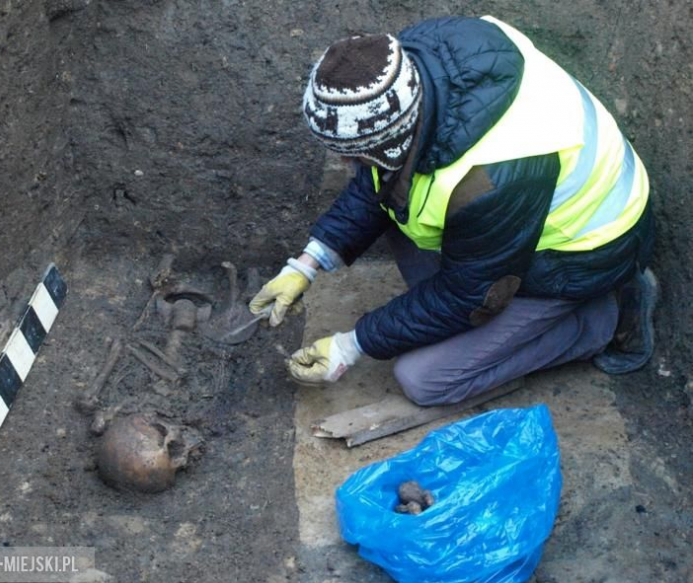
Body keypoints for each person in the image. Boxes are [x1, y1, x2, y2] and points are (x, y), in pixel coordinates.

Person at [249, 15, 656, 405]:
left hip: (584, 254)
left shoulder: (495, 173)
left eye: (354, 157)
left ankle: (601, 320)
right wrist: (306, 264)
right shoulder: (410, 67)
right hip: (516, 226)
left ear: (391, 141)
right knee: (412, 242)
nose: (346, 166)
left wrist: (351, 344)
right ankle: (499, 319)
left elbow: (468, 296)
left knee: (425, 378)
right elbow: (377, 181)